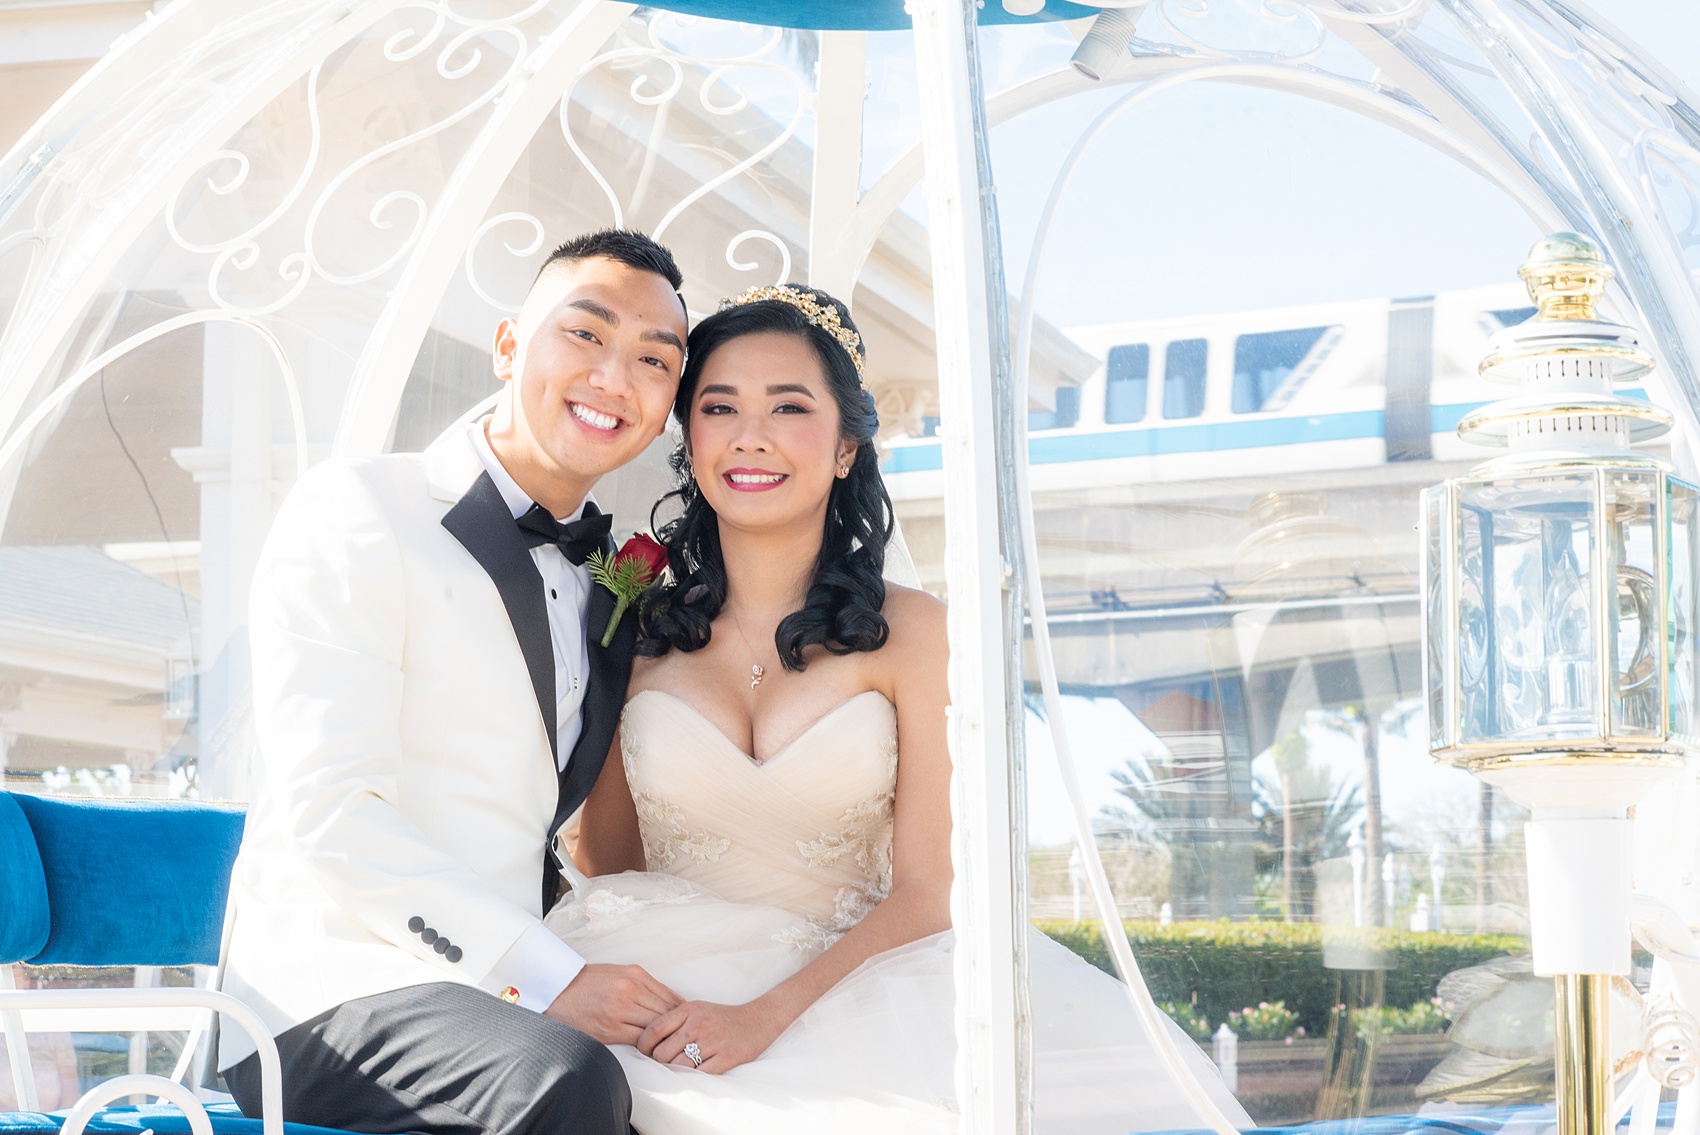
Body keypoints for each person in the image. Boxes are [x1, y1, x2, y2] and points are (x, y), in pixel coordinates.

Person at [550, 284, 1253, 1134]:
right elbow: (610, 865)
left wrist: (763, 1018)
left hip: (861, 993)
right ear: (690, 440)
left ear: (846, 445)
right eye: (720, 405)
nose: (751, 435)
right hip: (669, 988)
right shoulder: (637, 633)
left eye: (789, 406)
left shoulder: (919, 635)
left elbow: (933, 888)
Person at [218, 230, 693, 1135]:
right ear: (510, 346)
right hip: (332, 989)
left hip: (509, 983)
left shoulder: (619, 575)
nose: (613, 377)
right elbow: (334, 812)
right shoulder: (355, 508)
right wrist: (547, 977)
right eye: (585, 335)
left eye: (652, 359)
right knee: (567, 1080)